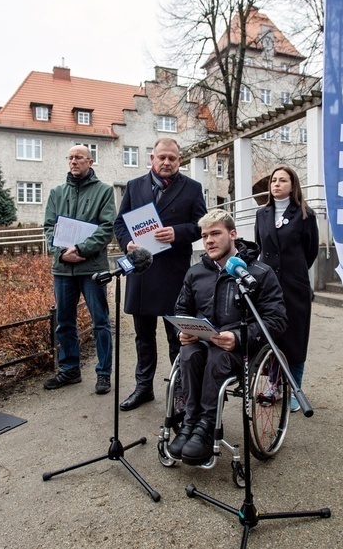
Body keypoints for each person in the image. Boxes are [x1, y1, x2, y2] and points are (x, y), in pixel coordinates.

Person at [169, 210, 287, 465]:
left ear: (233, 235)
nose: (208, 240)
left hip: (239, 349)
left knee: (217, 357)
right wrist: (183, 330)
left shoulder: (259, 273)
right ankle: (190, 422)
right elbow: (182, 309)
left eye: (215, 233)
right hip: (201, 343)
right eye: (204, 236)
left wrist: (238, 336)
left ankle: (206, 426)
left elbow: (276, 321)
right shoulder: (195, 273)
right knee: (188, 354)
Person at [113, 138, 206, 411]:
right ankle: (143, 388)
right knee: (143, 337)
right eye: (162, 157)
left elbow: (201, 226)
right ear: (152, 158)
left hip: (174, 274)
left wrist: (178, 233)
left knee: (177, 338)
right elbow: (120, 223)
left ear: (180, 161)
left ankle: (180, 392)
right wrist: (127, 243)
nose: (167, 162)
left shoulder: (192, 188)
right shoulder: (134, 186)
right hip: (141, 273)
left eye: (172, 159)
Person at [43, 144, 116, 395]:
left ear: (90, 161)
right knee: (64, 322)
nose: (74, 161)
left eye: (79, 158)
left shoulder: (104, 191)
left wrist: (81, 250)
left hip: (92, 267)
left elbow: (107, 228)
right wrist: (62, 253)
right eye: (71, 157)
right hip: (63, 269)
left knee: (100, 322)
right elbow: (48, 228)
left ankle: (104, 373)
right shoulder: (56, 193)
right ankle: (70, 369)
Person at [254, 166, 319, 412]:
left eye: (283, 180)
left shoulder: (305, 214)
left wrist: (295, 271)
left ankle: (295, 388)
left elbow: (310, 251)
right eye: (274, 180)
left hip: (295, 286)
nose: (277, 183)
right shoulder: (262, 214)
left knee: (295, 338)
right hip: (268, 287)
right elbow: (261, 246)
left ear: (293, 186)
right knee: (272, 336)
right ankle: (274, 385)